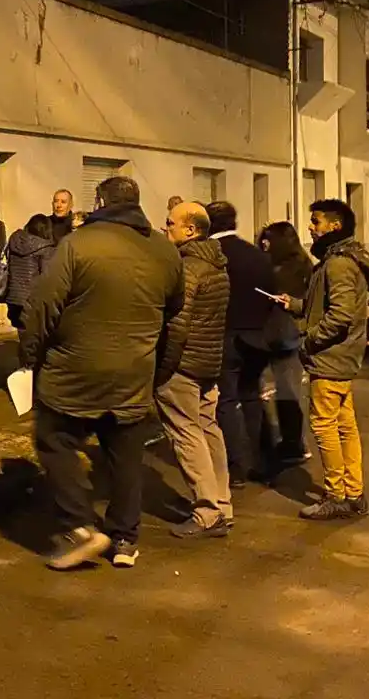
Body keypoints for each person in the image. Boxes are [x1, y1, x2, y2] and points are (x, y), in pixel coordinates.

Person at [21, 177, 183, 570]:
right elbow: (174, 315)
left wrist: (30, 356)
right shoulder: (165, 250)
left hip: (74, 371)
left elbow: (43, 306)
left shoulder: (77, 245)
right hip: (134, 371)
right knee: (126, 454)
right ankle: (125, 538)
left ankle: (78, 525)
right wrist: (158, 369)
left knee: (54, 439)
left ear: (99, 200)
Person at [278, 199, 369, 522]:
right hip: (342, 358)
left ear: (334, 226)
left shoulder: (338, 264)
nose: (311, 227)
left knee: (325, 427)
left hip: (330, 359)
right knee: (345, 428)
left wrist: (310, 339)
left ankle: (336, 495)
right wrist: (296, 305)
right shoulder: (341, 261)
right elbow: (327, 307)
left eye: (316, 221)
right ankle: (354, 493)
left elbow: (339, 316)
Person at [156, 201, 232, 539]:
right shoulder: (216, 263)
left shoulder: (188, 268)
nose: (165, 226)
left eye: (170, 222)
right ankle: (222, 505)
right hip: (209, 362)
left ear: (191, 229)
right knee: (208, 428)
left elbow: (177, 324)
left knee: (186, 433)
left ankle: (207, 512)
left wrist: (164, 367)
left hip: (184, 364)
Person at [206, 200, 278, 486]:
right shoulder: (256, 254)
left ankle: (235, 466)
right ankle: (263, 460)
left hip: (227, 336)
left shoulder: (213, 255)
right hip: (258, 335)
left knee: (226, 400)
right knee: (252, 397)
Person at [259, 221, 314, 466]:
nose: (263, 243)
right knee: (282, 389)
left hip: (287, 335)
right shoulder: (286, 265)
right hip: (275, 334)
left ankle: (294, 444)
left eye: (268, 239)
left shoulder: (295, 268)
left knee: (288, 391)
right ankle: (288, 441)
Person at [4, 213, 55, 332]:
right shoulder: (46, 248)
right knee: (33, 338)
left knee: (22, 332)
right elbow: (46, 276)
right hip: (32, 300)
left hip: (14, 298)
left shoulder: (14, 241)